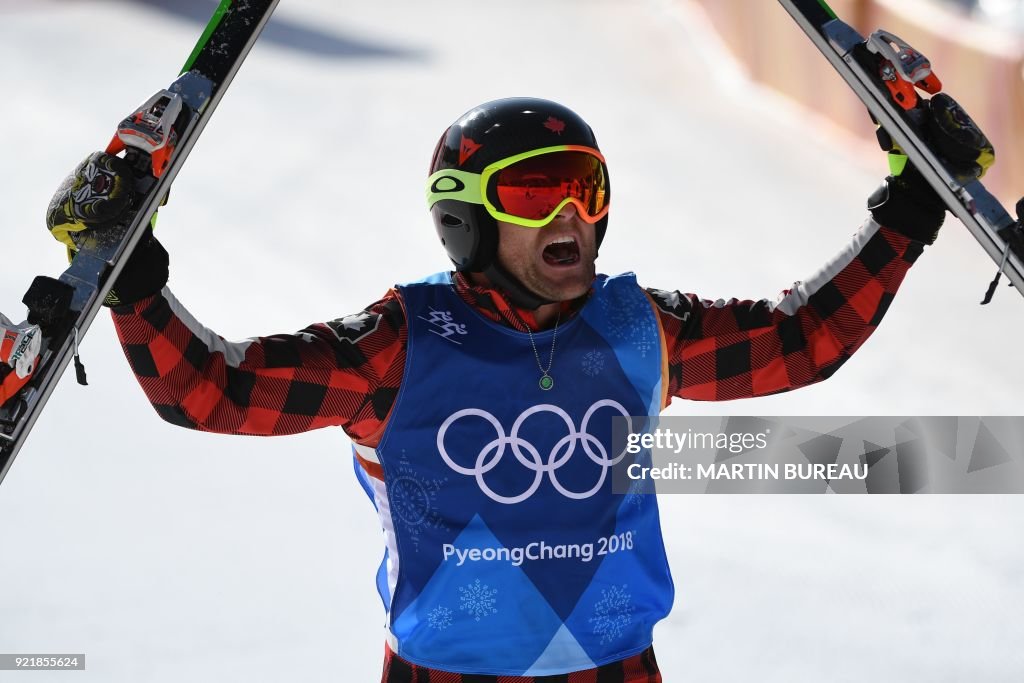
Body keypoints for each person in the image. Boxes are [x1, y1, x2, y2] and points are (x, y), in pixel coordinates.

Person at [35, 97, 989, 682]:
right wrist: (138, 281)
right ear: (465, 217)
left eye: (587, 187)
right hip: (450, 677)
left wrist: (907, 213)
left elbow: (802, 340)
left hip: (618, 671)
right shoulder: (401, 344)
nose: (573, 214)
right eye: (536, 195)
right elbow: (215, 392)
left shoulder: (637, 327)